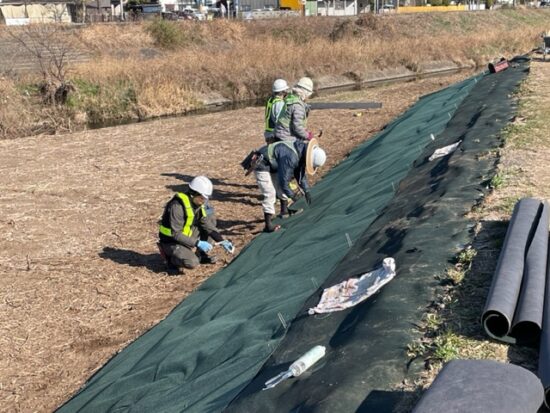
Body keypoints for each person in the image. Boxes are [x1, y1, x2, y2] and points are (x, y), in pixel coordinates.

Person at [157, 176, 234, 273]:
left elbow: (206, 224)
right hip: (171, 241)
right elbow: (176, 234)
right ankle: (171, 260)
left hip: (185, 236)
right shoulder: (177, 206)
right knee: (192, 262)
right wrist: (198, 243)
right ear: (193, 194)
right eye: (202, 198)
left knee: (210, 221)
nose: (204, 201)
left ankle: (202, 255)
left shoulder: (198, 203)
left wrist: (222, 240)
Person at [274, 77, 315, 142]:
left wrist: (304, 131)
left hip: (279, 132)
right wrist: (308, 136)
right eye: (308, 95)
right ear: (305, 92)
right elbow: (297, 127)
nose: (308, 97)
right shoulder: (298, 106)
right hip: (286, 136)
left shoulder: (290, 98)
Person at [264, 79, 289, 144]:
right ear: (283, 91)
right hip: (275, 135)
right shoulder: (279, 103)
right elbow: (280, 121)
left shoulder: (271, 100)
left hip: (268, 133)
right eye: (286, 90)